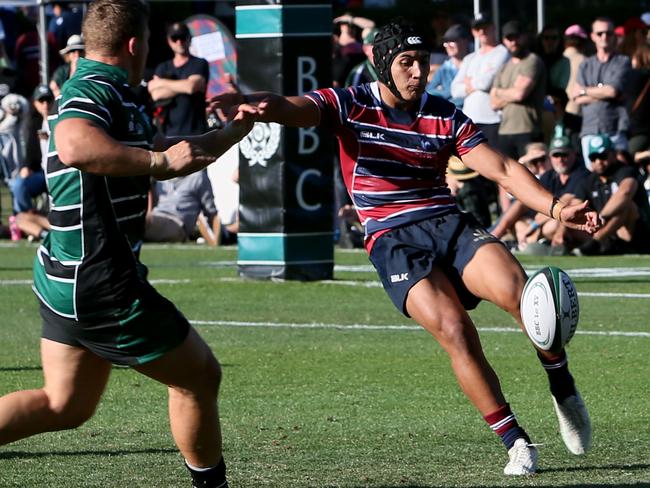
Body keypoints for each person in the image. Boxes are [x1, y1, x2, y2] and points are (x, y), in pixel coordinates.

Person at [211, 17, 599, 476]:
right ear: (382, 65)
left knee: (521, 294)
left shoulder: (443, 113)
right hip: (392, 240)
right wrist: (260, 105)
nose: (418, 72)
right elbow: (294, 106)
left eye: (423, 62)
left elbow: (503, 169)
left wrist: (556, 209)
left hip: (447, 223)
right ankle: (516, 441)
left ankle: (561, 384)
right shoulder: (350, 103)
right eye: (406, 62)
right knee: (454, 329)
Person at [0, 3, 254, 488]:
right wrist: (156, 165)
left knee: (63, 404)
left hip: (66, 274)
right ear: (135, 46)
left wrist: (229, 134)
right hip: (100, 280)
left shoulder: (120, 95)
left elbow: (166, 151)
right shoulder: (92, 89)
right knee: (199, 376)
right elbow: (74, 143)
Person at [573, 134, 650, 255]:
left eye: (603, 156)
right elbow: (575, 204)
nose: (599, 161)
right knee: (572, 214)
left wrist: (601, 217)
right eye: (594, 158)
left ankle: (595, 243)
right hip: (607, 235)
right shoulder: (588, 180)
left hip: (636, 235)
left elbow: (625, 191)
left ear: (614, 154)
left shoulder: (627, 171)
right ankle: (562, 244)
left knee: (627, 206)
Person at [572, 17, 631, 167]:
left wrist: (585, 91)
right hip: (589, 129)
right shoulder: (585, 65)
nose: (604, 37)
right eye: (600, 33)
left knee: (619, 176)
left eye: (608, 33)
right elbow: (576, 98)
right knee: (593, 179)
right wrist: (603, 92)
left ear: (614, 36)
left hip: (614, 129)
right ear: (593, 36)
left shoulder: (623, 61)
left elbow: (612, 91)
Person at [450, 12, 509, 147]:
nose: (482, 31)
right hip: (469, 120)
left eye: (486, 27)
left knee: (493, 165)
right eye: (478, 28)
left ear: (493, 27)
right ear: (473, 32)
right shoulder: (469, 58)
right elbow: (455, 89)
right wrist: (474, 84)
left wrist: (469, 82)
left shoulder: (502, 52)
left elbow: (486, 82)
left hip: (492, 119)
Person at [490, 20, 546, 161]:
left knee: (532, 175)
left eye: (517, 37)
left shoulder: (532, 61)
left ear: (524, 37)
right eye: (509, 38)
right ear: (504, 41)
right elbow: (493, 103)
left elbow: (520, 94)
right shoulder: (504, 67)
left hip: (528, 129)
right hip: (505, 131)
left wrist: (500, 91)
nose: (513, 42)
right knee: (506, 179)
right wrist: (511, 92)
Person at [148, 21, 209, 137]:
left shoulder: (199, 63)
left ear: (189, 39)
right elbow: (155, 94)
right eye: (175, 38)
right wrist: (183, 85)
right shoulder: (163, 67)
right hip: (168, 134)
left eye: (182, 37)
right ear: (169, 41)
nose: (179, 42)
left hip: (196, 133)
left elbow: (191, 87)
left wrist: (161, 82)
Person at [145, 169, 224, 246]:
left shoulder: (198, 177)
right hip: (156, 217)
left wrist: (215, 240)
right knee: (139, 220)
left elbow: (212, 213)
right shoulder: (162, 173)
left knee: (139, 223)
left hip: (178, 222)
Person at [426, 23, 471, 107]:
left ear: (465, 42)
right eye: (446, 42)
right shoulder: (444, 69)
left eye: (452, 41)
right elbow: (428, 92)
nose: (448, 46)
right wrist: (450, 92)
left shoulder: (473, 64)